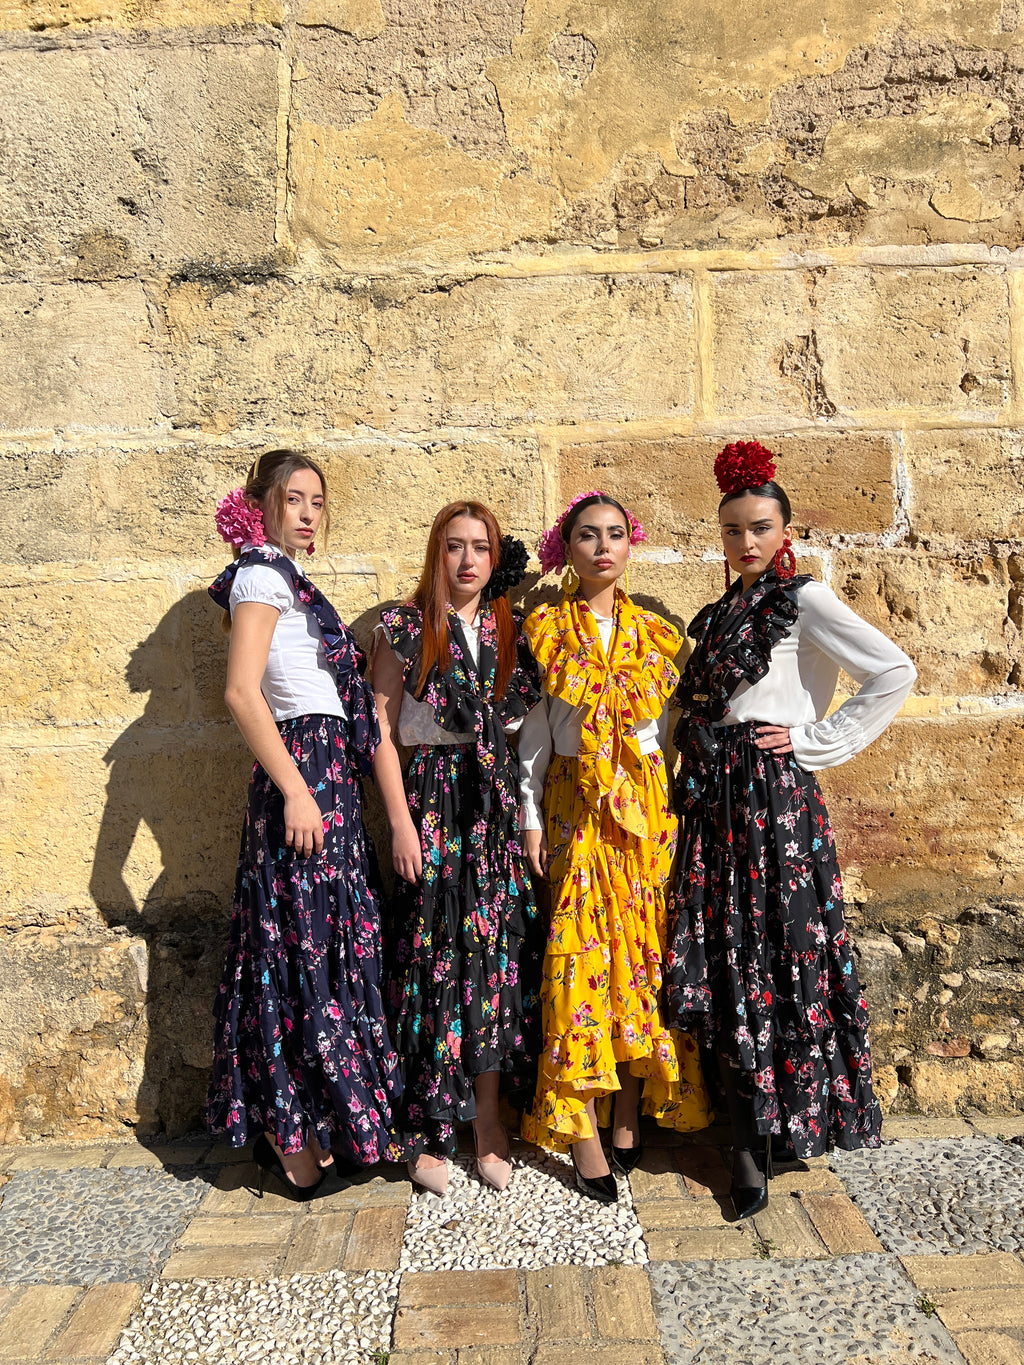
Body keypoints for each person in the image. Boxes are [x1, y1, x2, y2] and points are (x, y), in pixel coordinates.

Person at [665, 441, 917, 1219]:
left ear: (784, 531)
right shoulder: (713, 617)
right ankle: (742, 1139)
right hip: (715, 801)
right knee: (728, 954)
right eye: (733, 528)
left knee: (783, 951)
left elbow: (894, 670)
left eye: (760, 527)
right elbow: (686, 707)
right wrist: (688, 736)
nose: (746, 541)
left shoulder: (801, 601)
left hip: (776, 802)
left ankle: (783, 1123)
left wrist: (816, 742)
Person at [205, 449, 401, 1199]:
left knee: (320, 946)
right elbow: (240, 692)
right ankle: (289, 1136)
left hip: (327, 778)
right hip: (303, 771)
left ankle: (321, 1122)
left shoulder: (287, 577)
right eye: (295, 498)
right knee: (295, 951)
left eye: (318, 499)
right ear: (263, 504)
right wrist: (295, 788)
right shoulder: (258, 573)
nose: (309, 511)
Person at [519, 491, 711, 1203]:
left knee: (639, 962)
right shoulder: (545, 629)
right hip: (576, 813)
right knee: (577, 961)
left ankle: (627, 1108)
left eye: (615, 534)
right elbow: (535, 736)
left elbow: (665, 734)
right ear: (565, 548)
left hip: (645, 819)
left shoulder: (658, 638)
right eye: (587, 535)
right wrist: (530, 817)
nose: (603, 546)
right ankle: (583, 1129)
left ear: (632, 546)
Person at [372, 502, 542, 1195]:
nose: (467, 560)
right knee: (431, 962)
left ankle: (490, 1121)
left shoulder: (510, 630)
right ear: (435, 554)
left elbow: (528, 732)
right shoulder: (406, 629)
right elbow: (378, 729)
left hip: (493, 812)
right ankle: (425, 1124)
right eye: (453, 546)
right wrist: (400, 824)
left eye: (480, 547)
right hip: (432, 807)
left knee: (494, 963)